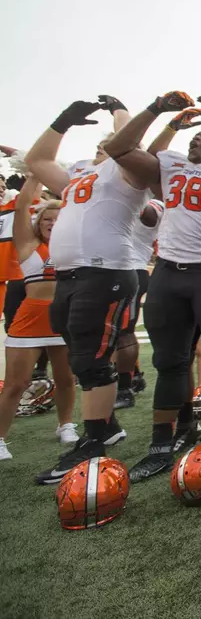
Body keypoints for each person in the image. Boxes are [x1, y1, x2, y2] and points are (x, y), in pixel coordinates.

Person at [103, 91, 201, 483]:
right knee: (170, 361)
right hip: (169, 274)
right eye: (196, 137)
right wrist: (161, 113)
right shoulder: (170, 165)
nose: (197, 140)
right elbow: (118, 148)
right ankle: (164, 442)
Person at [23, 96, 145, 483]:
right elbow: (37, 162)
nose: (101, 150)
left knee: (92, 360)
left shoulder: (123, 172)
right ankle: (106, 425)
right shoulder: (80, 176)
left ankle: (93, 443)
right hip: (72, 276)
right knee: (80, 357)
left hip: (105, 271)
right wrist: (63, 122)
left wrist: (119, 112)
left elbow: (127, 143)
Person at [0, 177, 74, 460]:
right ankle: (0, 438)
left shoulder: (72, 247)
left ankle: (66, 425)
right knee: (16, 384)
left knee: (66, 378)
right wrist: (34, 173)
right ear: (39, 222)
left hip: (64, 320)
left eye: (58, 218)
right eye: (47, 219)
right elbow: (20, 208)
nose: (53, 223)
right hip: (29, 323)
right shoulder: (27, 245)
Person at [114, 198, 163, 410]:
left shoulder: (154, 203)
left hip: (131, 270)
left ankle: (124, 388)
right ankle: (132, 375)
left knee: (124, 330)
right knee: (105, 332)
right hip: (100, 268)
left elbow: (149, 216)